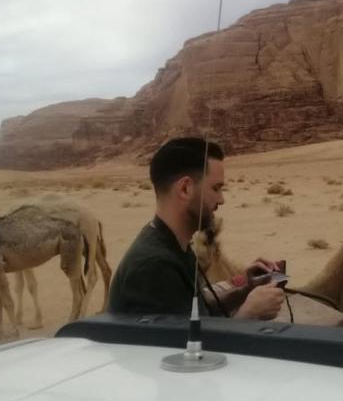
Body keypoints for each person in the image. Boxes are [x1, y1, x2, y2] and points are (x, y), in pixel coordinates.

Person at [109, 137, 284, 320]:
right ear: (185, 189)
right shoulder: (154, 267)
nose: (221, 200)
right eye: (215, 188)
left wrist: (245, 289)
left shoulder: (174, 245)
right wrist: (249, 314)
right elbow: (183, 345)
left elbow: (195, 312)